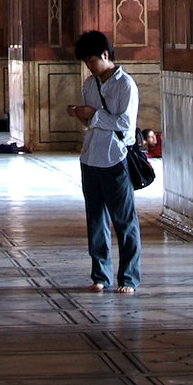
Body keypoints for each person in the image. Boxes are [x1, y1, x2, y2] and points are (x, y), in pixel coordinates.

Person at [65, 30, 141, 293]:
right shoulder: (90, 84)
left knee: (124, 221)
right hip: (91, 159)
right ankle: (100, 275)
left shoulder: (125, 85)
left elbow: (125, 124)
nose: (89, 66)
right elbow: (92, 121)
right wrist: (80, 115)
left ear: (105, 55)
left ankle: (129, 278)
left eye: (92, 61)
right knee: (96, 220)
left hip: (116, 159)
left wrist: (94, 115)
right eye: (86, 62)